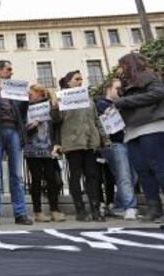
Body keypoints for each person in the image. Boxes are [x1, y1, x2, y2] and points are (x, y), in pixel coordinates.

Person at [52, 70, 110, 222]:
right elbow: (56, 121)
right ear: (69, 82)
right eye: (77, 79)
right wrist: (55, 108)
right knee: (75, 176)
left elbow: (96, 120)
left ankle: (95, 209)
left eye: (81, 79)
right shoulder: (63, 98)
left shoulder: (89, 99)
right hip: (73, 143)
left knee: (92, 176)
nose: (80, 81)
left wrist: (105, 139)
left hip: (91, 142)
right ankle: (80, 210)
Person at [113, 53, 164, 222]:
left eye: (122, 65)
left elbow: (158, 93)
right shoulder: (126, 84)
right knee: (142, 170)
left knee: (158, 167)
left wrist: (125, 102)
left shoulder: (149, 76)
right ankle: (153, 207)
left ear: (130, 64)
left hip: (151, 126)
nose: (120, 69)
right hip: (132, 130)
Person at [0, 60, 32, 227]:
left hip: (14, 131)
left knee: (17, 176)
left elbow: (23, 113)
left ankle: (20, 214)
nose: (11, 72)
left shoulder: (15, 89)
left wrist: (26, 98)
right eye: (8, 69)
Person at [95, 78, 138, 220]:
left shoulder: (124, 103)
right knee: (124, 175)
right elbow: (104, 117)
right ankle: (130, 207)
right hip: (114, 144)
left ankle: (119, 206)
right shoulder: (101, 103)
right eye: (117, 88)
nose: (120, 92)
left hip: (128, 141)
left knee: (132, 176)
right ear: (109, 89)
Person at [24, 84, 65, 223]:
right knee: (35, 180)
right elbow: (22, 128)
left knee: (51, 179)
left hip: (48, 149)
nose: (30, 94)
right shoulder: (25, 108)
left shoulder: (49, 106)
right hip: (32, 150)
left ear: (41, 94)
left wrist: (54, 108)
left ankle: (55, 210)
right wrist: (30, 126)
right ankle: (38, 212)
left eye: (32, 92)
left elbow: (57, 121)